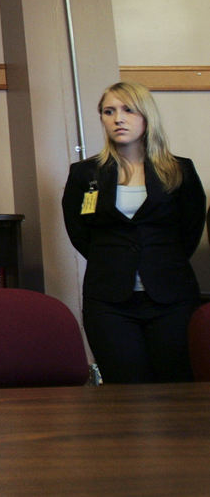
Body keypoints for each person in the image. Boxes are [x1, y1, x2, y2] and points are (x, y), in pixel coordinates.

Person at [62, 81, 205, 383]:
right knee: (125, 391)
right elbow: (79, 231)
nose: (118, 119)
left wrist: (158, 259)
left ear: (146, 115)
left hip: (172, 298)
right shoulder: (85, 174)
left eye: (128, 110)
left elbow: (190, 231)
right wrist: (115, 259)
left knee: (176, 387)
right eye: (108, 111)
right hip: (109, 302)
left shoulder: (180, 170)